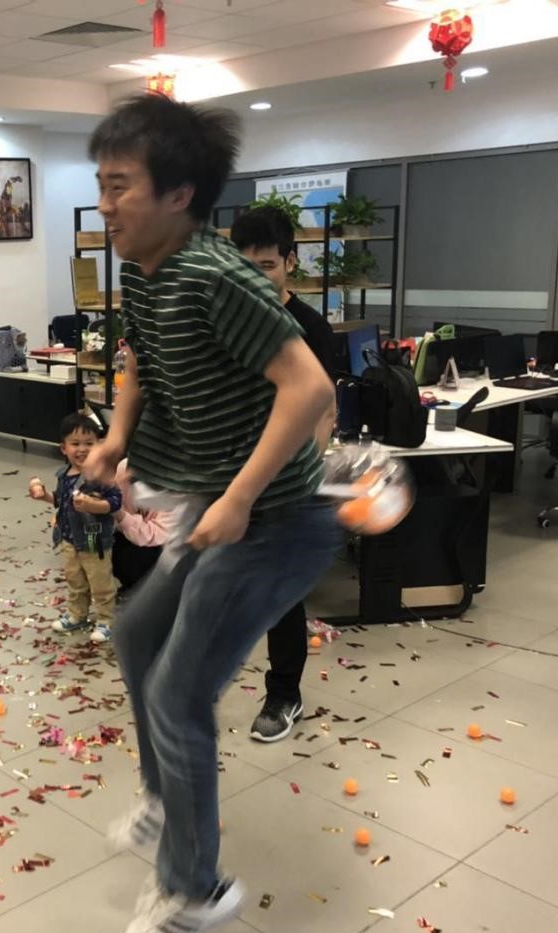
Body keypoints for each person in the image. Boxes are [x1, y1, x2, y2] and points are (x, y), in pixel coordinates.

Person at [83, 96, 340, 933]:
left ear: (178, 195)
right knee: (135, 636)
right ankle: (167, 802)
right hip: (217, 509)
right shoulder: (143, 272)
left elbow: (309, 388)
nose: (105, 204)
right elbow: (139, 363)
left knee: (177, 691)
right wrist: (117, 437)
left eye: (119, 186)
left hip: (276, 520)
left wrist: (236, 497)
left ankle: (196, 890)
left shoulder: (214, 277)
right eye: (100, 184)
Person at [231, 206, 337, 742]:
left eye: (267, 266)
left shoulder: (311, 330)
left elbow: (323, 411)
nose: (255, 278)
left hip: (286, 480)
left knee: (281, 590)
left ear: (290, 262)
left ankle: (284, 694)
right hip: (230, 474)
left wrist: (300, 478)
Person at [29, 413, 123, 643]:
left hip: (94, 536)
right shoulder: (64, 475)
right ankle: (77, 614)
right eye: (75, 443)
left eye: (89, 443)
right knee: (75, 579)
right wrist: (44, 495)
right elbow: (60, 500)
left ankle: (107, 620)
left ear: (99, 446)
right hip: (68, 537)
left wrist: (93, 505)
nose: (82, 449)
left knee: (99, 580)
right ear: (64, 448)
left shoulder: (100, 475)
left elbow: (115, 502)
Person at [111, 459, 176, 590]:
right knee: (99, 546)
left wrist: (118, 513)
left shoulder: (173, 486)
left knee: (139, 558)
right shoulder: (125, 468)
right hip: (129, 532)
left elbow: (154, 535)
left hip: (159, 545)